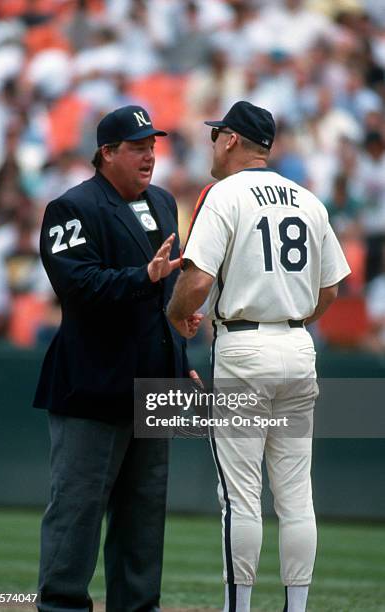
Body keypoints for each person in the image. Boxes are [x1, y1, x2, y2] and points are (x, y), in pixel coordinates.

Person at [167, 101, 351, 612]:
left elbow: (197, 280)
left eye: (215, 135)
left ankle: (239, 607)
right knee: (296, 496)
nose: (211, 143)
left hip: (243, 348)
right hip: (297, 345)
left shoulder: (223, 194)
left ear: (229, 139)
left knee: (241, 496)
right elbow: (332, 288)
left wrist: (177, 317)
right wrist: (289, 317)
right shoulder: (307, 199)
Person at [34, 105, 199, 612]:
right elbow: (77, 285)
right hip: (94, 383)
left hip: (153, 385)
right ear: (107, 153)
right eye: (137, 146)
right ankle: (61, 606)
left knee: (143, 519)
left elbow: (164, 297)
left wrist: (179, 354)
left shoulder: (165, 202)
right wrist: (141, 278)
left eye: (152, 144)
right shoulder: (72, 207)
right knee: (78, 512)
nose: (150, 155)